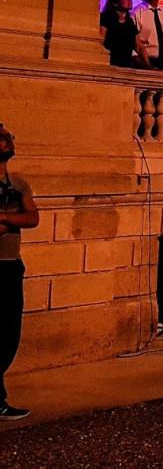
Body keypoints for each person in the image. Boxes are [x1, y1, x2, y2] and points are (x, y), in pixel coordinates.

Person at [0, 122, 38, 420]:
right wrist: (15, 217)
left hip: (10, 265)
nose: (8, 141)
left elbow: (32, 218)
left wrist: (5, 218)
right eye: (1, 137)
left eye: (8, 136)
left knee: (8, 334)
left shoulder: (18, 182)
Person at [99, 0, 140, 68]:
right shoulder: (106, 18)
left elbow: (138, 45)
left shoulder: (130, 22)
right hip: (110, 62)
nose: (130, 0)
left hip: (126, 64)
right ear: (115, 3)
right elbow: (101, 39)